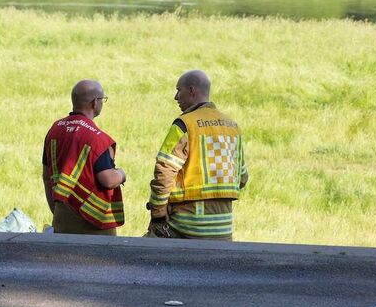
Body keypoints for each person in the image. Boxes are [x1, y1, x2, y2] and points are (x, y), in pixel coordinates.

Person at [146, 70, 247, 241]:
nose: (176, 97)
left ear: (192, 91)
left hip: (187, 226)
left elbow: (164, 171)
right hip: (223, 228)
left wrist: (158, 215)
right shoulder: (232, 126)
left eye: (179, 90)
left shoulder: (185, 124)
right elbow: (242, 178)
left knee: (144, 257)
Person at [42, 79, 126, 235]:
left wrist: (56, 210)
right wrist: (121, 174)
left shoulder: (54, 130)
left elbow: (46, 176)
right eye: (103, 100)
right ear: (95, 103)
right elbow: (108, 179)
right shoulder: (97, 139)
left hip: (61, 216)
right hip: (93, 223)